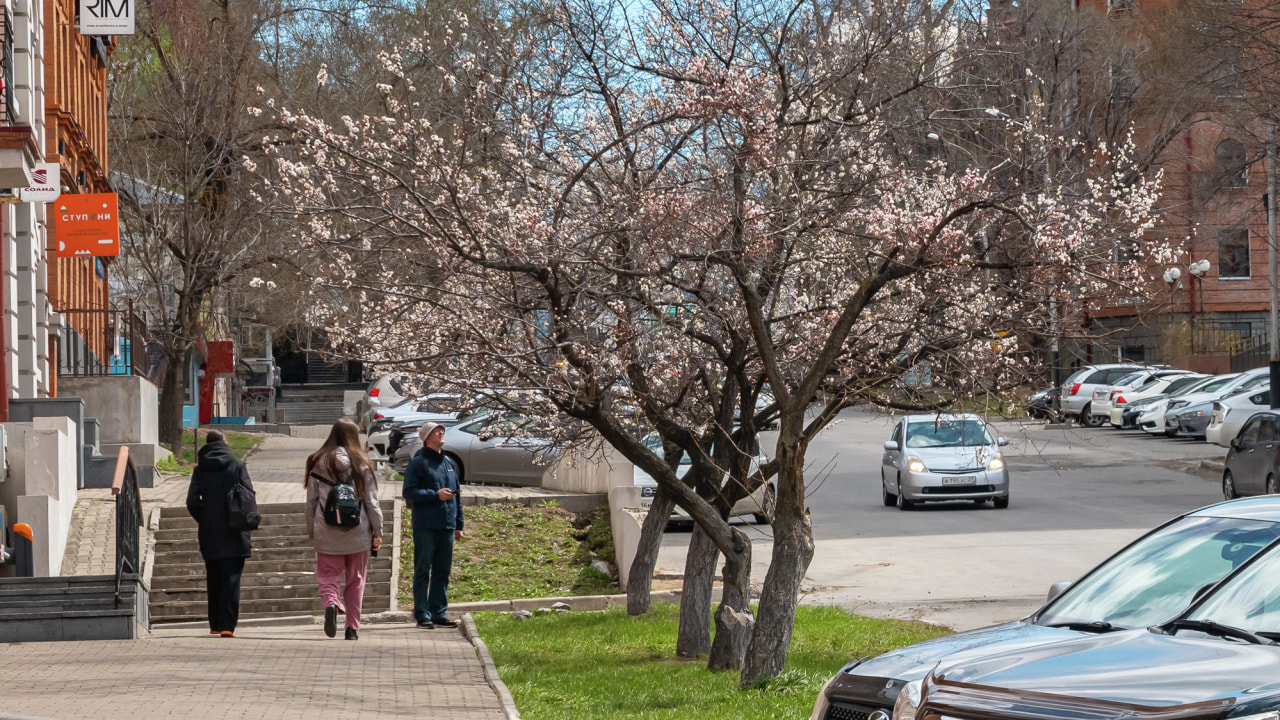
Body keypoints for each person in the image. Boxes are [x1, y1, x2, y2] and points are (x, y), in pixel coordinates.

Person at [305, 418, 384, 640]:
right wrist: (378, 532)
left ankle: (331, 602)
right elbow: (371, 502)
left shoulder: (316, 462)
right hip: (357, 533)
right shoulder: (362, 462)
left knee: (328, 575)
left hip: (327, 532)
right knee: (356, 578)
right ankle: (352, 628)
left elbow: (311, 503)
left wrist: (313, 532)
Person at [186, 430, 253, 638]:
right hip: (234, 528)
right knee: (231, 578)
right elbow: (248, 495)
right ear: (225, 442)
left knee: (213, 576)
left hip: (210, 530)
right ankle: (227, 625)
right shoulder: (237, 465)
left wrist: (205, 518)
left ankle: (214, 623)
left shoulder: (200, 469)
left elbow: (192, 501)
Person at [403, 421, 464, 629]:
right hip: (426, 526)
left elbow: (457, 496)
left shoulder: (448, 463)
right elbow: (409, 493)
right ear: (426, 437)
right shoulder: (419, 463)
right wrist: (434, 495)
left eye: (442, 431)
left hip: (446, 525)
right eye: (436, 431)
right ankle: (422, 613)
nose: (440, 433)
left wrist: (459, 524)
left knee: (442, 570)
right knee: (423, 569)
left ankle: (439, 611)